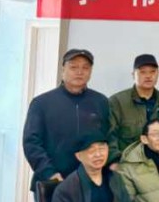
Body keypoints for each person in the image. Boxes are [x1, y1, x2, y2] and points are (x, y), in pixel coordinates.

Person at [23, 48, 110, 191]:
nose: (79, 72)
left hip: (91, 182)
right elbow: (31, 142)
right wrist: (49, 173)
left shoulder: (101, 102)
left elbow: (109, 137)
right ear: (63, 69)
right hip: (53, 181)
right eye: (73, 67)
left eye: (85, 68)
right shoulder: (42, 103)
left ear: (90, 71)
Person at [109, 54, 159, 157]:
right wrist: (115, 161)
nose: (148, 76)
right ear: (133, 75)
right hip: (129, 162)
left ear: (158, 74)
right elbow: (110, 137)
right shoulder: (117, 102)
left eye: (152, 71)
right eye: (143, 72)